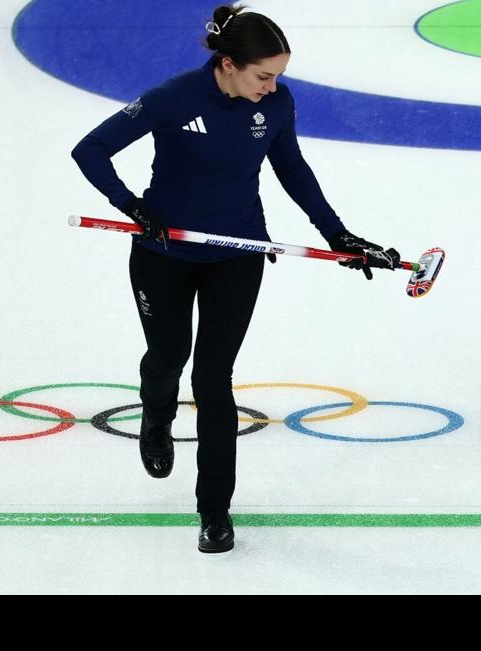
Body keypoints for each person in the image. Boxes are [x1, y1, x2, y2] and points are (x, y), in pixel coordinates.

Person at [71, 4, 402, 554]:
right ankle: (156, 418)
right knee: (166, 357)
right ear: (228, 64)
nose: (273, 88)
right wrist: (131, 206)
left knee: (212, 377)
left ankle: (214, 509)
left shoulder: (275, 104)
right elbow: (90, 150)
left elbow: (291, 167)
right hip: (164, 254)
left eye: (278, 76)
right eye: (263, 76)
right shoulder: (173, 97)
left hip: (238, 253)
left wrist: (337, 234)